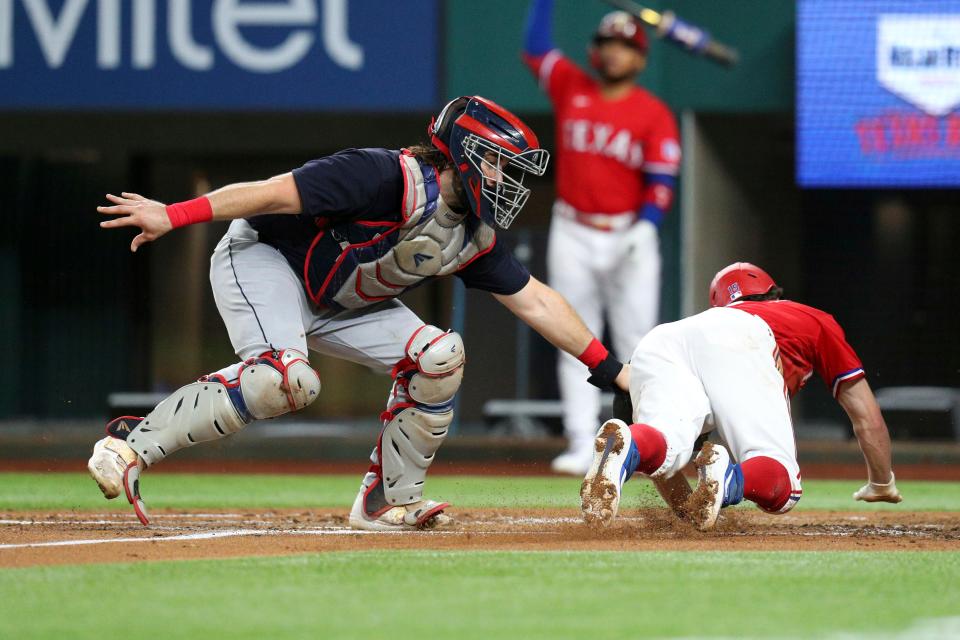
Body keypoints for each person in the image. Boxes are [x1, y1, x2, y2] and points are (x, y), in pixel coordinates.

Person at [87, 95, 630, 531]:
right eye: (498, 163)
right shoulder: (379, 175)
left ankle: (386, 503)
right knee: (285, 380)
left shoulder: (469, 234)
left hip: (339, 300)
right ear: (464, 152)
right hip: (265, 259)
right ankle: (130, 443)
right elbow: (270, 195)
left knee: (439, 356)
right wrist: (175, 214)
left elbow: (536, 299)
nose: (507, 180)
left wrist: (613, 371)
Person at [581, 262, 903, 530]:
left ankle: (630, 445)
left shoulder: (703, 322)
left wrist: (692, 513)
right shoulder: (811, 318)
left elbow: (666, 471)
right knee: (783, 483)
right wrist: (881, 481)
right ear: (774, 294)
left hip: (662, 339)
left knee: (666, 441)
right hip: (742, 339)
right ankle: (731, 479)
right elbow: (866, 415)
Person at [522, 1, 681, 475]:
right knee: (572, 335)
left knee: (639, 345)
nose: (613, 53)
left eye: (624, 46)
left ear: (641, 58)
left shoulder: (653, 113)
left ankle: (649, 442)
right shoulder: (573, 87)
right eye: (606, 44)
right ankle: (580, 442)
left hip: (629, 233)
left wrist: (648, 224)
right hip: (572, 228)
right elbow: (534, 49)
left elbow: (662, 178)